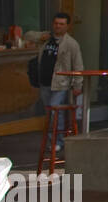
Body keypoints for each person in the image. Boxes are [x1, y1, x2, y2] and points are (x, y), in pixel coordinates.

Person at [36, 12, 83, 144]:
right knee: (49, 112)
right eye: (56, 23)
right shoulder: (47, 39)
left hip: (61, 83)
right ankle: (53, 140)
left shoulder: (71, 44)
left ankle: (58, 141)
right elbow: (28, 35)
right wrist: (41, 36)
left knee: (55, 112)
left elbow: (78, 65)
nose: (58, 26)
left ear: (67, 26)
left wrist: (77, 85)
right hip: (45, 82)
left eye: (61, 24)